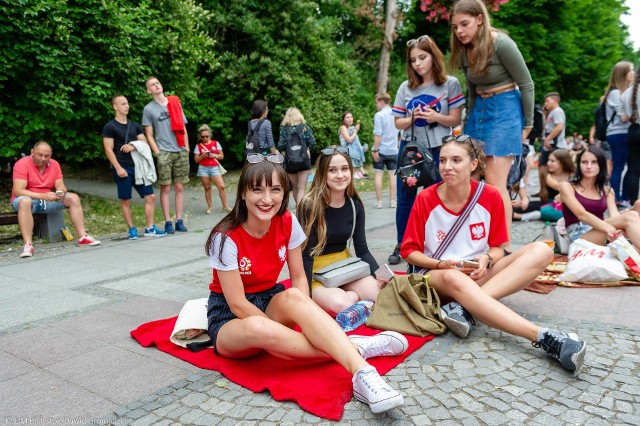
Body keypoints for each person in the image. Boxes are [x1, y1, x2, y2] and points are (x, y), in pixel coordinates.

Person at [204, 153, 408, 414]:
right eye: (257, 190)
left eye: (275, 190)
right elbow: (238, 304)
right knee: (257, 325)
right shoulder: (225, 237)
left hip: (270, 299)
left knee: (296, 296)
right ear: (243, 193)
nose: (267, 199)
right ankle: (354, 347)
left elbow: (299, 278)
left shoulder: (287, 221)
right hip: (229, 318)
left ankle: (362, 373)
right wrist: (287, 333)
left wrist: (303, 313)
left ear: (284, 192)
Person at [400, 134, 587, 375]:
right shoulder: (426, 198)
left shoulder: (490, 196)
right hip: (436, 276)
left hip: (477, 273)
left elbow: (499, 246)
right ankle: (544, 337)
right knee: (454, 277)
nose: (447, 167)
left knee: (542, 250)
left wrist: (487, 258)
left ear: (473, 164)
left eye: (456, 160)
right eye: (443, 160)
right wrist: (441, 263)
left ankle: (464, 309)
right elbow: (409, 251)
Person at [449, 0, 535, 253]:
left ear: (479, 18)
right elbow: (472, 91)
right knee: (470, 177)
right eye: (455, 27)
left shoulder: (501, 43)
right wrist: (466, 128)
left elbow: (527, 84)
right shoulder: (464, 49)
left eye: (464, 24)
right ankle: (473, 241)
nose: (460, 31)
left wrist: (527, 124)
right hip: (480, 112)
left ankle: (504, 246)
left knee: (496, 183)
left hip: (506, 108)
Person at [387, 34, 465, 265]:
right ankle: (403, 244)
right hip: (411, 150)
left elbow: (454, 119)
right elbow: (397, 122)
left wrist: (435, 116)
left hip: (441, 150)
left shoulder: (449, 83)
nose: (418, 63)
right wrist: (411, 117)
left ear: (433, 56)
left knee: (437, 198)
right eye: (413, 60)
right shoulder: (405, 87)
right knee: (405, 200)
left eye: (422, 57)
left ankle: (436, 243)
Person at [297, 147, 382, 315]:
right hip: (315, 271)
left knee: (379, 295)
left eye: (344, 169)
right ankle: (353, 297)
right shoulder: (310, 206)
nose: (340, 175)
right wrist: (304, 296)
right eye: (332, 170)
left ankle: (356, 297)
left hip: (345, 267)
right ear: (323, 174)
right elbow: (305, 255)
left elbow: (362, 249)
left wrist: (380, 274)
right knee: (341, 304)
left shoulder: (354, 204)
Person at [11, 141, 101, 258]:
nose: (43, 158)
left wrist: (60, 192)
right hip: (26, 200)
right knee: (25, 201)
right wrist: (42, 196)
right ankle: (28, 245)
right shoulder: (21, 164)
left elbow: (61, 186)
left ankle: (83, 236)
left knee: (73, 198)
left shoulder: (54, 164)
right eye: (40, 155)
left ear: (51, 155)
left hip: (47, 200)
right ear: (32, 152)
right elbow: (18, 191)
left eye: (47, 156)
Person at [102, 95, 166, 239]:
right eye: (123, 104)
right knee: (126, 200)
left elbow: (144, 143)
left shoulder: (134, 125)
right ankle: (132, 229)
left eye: (127, 103)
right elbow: (108, 149)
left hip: (139, 168)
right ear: (115, 106)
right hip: (123, 167)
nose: (127, 106)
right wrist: (118, 168)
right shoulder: (110, 126)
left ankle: (150, 228)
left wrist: (133, 146)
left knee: (150, 196)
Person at [560, 146, 640, 247]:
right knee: (630, 217)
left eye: (594, 162)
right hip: (578, 235)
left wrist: (619, 230)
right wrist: (610, 229)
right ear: (579, 164)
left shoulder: (607, 190)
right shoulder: (567, 186)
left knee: (631, 221)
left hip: (600, 231)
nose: (589, 166)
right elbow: (581, 214)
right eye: (584, 162)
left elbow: (615, 216)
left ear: (601, 165)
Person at [142, 76, 189, 234]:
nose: (156, 86)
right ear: (149, 90)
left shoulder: (175, 103)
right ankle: (168, 221)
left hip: (180, 149)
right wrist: (157, 152)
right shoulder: (149, 109)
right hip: (164, 151)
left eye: (157, 83)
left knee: (180, 186)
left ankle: (179, 220)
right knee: (166, 187)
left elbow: (183, 127)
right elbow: (149, 134)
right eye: (152, 85)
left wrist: (187, 148)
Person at [603, 61, 634, 207]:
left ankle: (624, 196)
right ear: (623, 74)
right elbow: (624, 114)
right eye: (631, 70)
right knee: (619, 166)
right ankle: (616, 197)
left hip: (622, 132)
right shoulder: (615, 93)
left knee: (629, 166)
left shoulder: (621, 92)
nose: (633, 73)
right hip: (618, 132)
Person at [515, 149, 575, 222]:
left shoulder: (571, 174)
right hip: (550, 203)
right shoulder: (546, 173)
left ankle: (531, 216)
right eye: (548, 160)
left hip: (567, 203)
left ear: (562, 162)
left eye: (552, 161)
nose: (548, 163)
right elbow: (556, 186)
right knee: (539, 209)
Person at [278, 107, 316, 205]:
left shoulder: (284, 129)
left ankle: (299, 208)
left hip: (290, 162)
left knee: (295, 187)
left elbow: (281, 145)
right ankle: (300, 211)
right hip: (303, 160)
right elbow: (312, 143)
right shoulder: (304, 127)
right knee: (301, 188)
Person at [193, 124, 232, 214]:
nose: (205, 138)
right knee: (207, 188)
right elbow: (196, 160)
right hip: (203, 168)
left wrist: (214, 155)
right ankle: (210, 207)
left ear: (209, 135)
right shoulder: (198, 146)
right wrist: (203, 155)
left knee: (221, 187)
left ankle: (225, 206)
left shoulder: (215, 143)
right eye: (203, 137)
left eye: (207, 136)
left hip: (214, 167)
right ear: (200, 136)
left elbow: (222, 156)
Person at [537, 92, 568, 203]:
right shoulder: (551, 113)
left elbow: (559, 127)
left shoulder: (558, 111)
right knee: (542, 166)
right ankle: (544, 190)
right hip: (550, 146)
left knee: (550, 168)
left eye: (548, 101)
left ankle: (557, 193)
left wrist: (547, 139)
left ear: (555, 101)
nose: (545, 103)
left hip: (557, 146)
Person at [372, 93, 398, 209]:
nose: (376, 105)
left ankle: (379, 202)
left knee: (378, 174)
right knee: (393, 175)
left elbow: (378, 134)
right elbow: (400, 133)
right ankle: (392, 201)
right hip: (393, 150)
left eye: (377, 102)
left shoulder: (379, 115)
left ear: (381, 102)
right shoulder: (396, 114)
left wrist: (375, 149)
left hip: (381, 149)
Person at [620, 65, 640, 205]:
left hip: (633, 131)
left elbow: (623, 118)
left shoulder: (627, 92)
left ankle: (634, 203)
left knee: (633, 169)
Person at [339, 111, 367, 179]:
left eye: (351, 117)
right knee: (349, 177)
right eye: (347, 117)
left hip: (352, 154)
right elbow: (349, 140)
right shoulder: (343, 128)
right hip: (347, 154)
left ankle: (350, 189)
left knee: (350, 177)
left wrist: (362, 148)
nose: (350, 119)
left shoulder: (351, 129)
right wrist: (356, 131)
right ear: (343, 120)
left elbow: (355, 144)